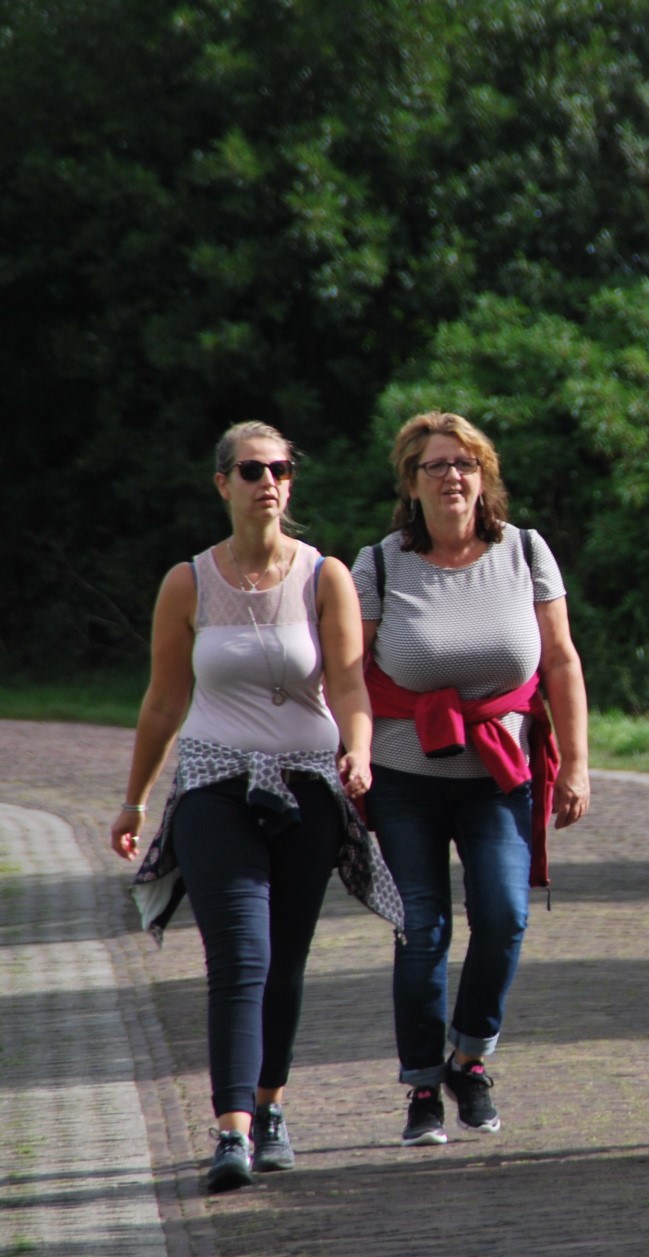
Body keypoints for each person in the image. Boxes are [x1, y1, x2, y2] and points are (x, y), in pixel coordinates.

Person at [110, 421, 403, 1195]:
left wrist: (358, 750)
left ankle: (271, 1106)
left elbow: (349, 683)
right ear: (223, 483)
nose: (268, 480)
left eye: (281, 468)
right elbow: (163, 699)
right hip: (215, 786)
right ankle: (232, 1129)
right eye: (251, 469)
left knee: (285, 957)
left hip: (307, 786)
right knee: (240, 954)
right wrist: (135, 799)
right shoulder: (187, 583)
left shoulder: (324, 575)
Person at [352, 411, 591, 1147]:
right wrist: (349, 752)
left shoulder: (526, 552)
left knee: (505, 914)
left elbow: (561, 660)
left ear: (484, 478)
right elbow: (347, 673)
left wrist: (578, 763)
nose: (452, 476)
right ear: (411, 483)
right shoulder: (379, 565)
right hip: (403, 776)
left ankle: (468, 1058)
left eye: (465, 463)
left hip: (499, 773)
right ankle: (424, 1085)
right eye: (436, 465)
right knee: (421, 926)